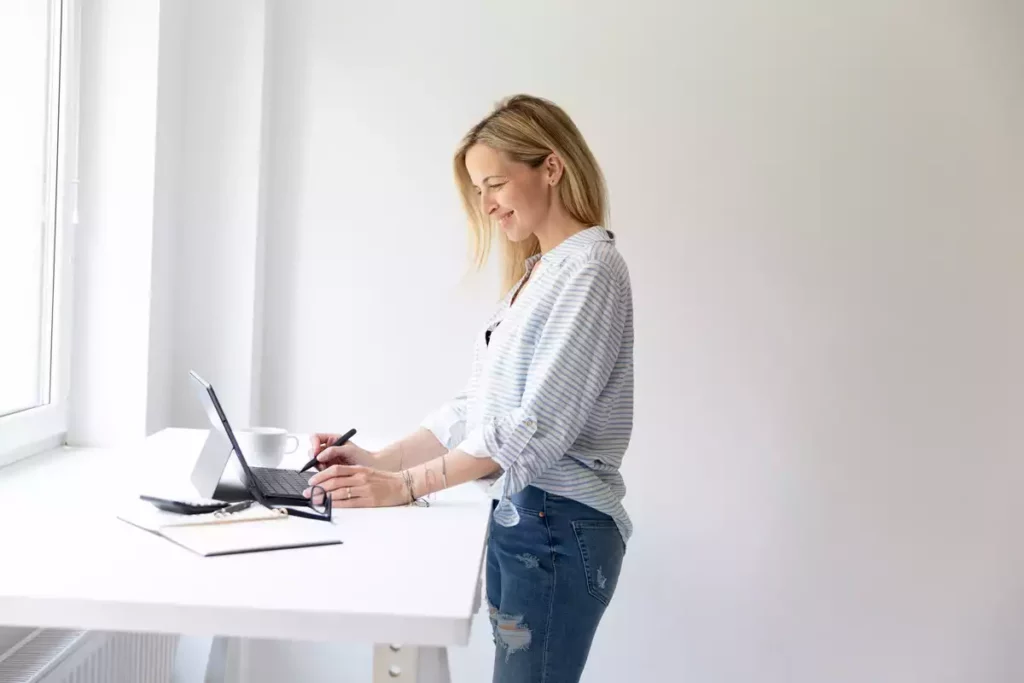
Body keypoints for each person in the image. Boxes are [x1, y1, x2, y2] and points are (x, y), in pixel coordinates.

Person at [305, 94, 634, 683]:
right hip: (525, 521)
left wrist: (404, 487)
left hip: (558, 527)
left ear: (551, 168)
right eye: (478, 191)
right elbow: (477, 409)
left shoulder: (591, 269)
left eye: (495, 185)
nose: (486, 206)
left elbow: (531, 431)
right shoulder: (539, 273)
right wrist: (377, 461)